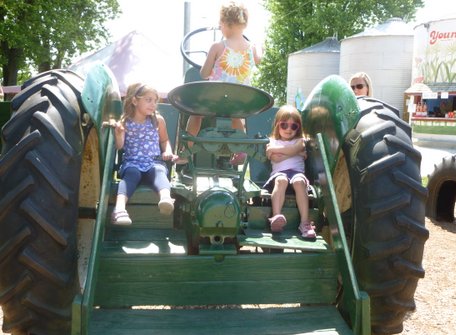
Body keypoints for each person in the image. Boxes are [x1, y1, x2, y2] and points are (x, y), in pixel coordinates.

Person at [182, 1, 261, 165]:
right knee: (235, 117)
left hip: (215, 100)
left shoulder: (217, 46)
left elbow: (204, 74)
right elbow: (259, 58)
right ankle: (241, 150)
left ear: (226, 24)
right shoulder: (251, 48)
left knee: (196, 114)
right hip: (240, 102)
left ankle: (186, 150)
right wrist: (259, 46)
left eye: (220, 25)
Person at [110, 83, 177, 225]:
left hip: (153, 161)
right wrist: (119, 134)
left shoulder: (157, 120)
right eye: (148, 100)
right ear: (135, 101)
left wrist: (167, 151)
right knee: (131, 174)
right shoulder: (125, 122)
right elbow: (119, 146)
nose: (153, 104)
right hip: (132, 162)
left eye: (155, 101)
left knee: (159, 171)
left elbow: (164, 140)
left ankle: (165, 199)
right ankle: (119, 209)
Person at [263, 105, 316, 238]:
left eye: (294, 126)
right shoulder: (271, 141)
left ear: (298, 128)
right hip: (279, 175)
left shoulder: (300, 141)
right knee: (282, 180)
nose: (288, 129)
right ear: (277, 125)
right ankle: (276, 218)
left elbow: (284, 152)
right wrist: (294, 152)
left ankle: (304, 223)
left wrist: (281, 151)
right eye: (284, 125)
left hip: (297, 173)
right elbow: (275, 158)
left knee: (299, 181)